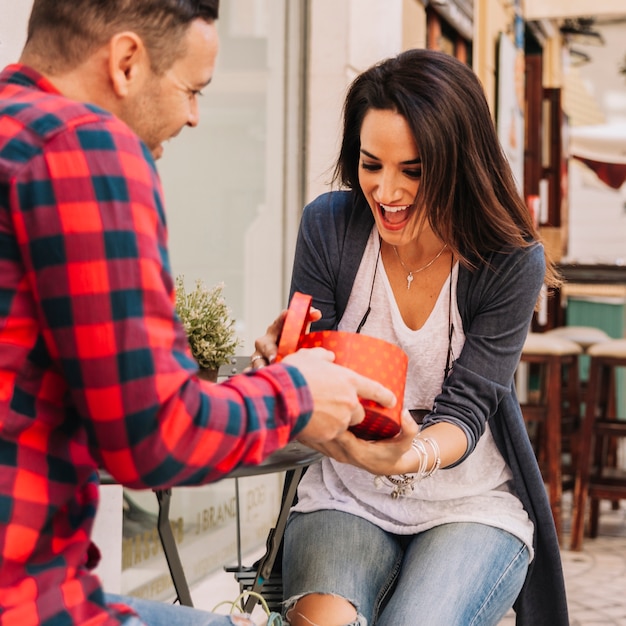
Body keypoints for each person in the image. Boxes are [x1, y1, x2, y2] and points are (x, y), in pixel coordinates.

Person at [0, 2, 418, 625]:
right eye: (192, 89)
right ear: (126, 62)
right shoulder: (84, 148)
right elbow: (153, 436)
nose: (195, 116)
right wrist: (297, 392)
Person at [264, 49, 569, 625]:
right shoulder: (329, 226)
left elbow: (467, 410)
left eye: (414, 170)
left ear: (459, 164)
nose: (386, 191)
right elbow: (314, 368)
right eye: (370, 163)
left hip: (469, 504)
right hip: (344, 492)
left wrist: (407, 456)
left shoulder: (508, 261)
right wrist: (285, 360)